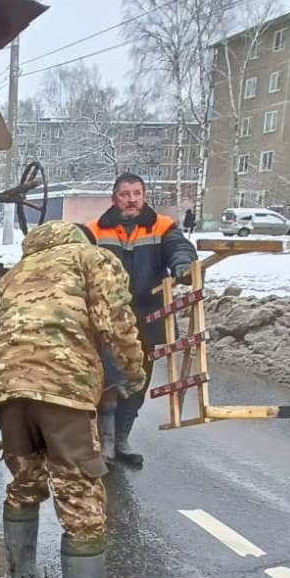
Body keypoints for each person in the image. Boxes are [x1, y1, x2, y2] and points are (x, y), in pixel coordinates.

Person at [0, 220, 146, 578]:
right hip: (63, 387)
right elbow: (115, 323)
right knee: (81, 503)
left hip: (7, 386)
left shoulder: (16, 272)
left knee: (25, 480)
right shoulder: (92, 258)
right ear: (80, 238)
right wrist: (134, 375)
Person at [87, 174, 197, 466]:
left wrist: (183, 266)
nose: (131, 199)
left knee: (136, 381)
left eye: (136, 193)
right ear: (114, 198)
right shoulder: (95, 231)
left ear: (144, 196)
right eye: (125, 194)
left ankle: (121, 440)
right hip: (106, 321)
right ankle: (104, 443)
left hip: (145, 320)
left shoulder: (162, 227)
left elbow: (180, 248)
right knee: (106, 380)